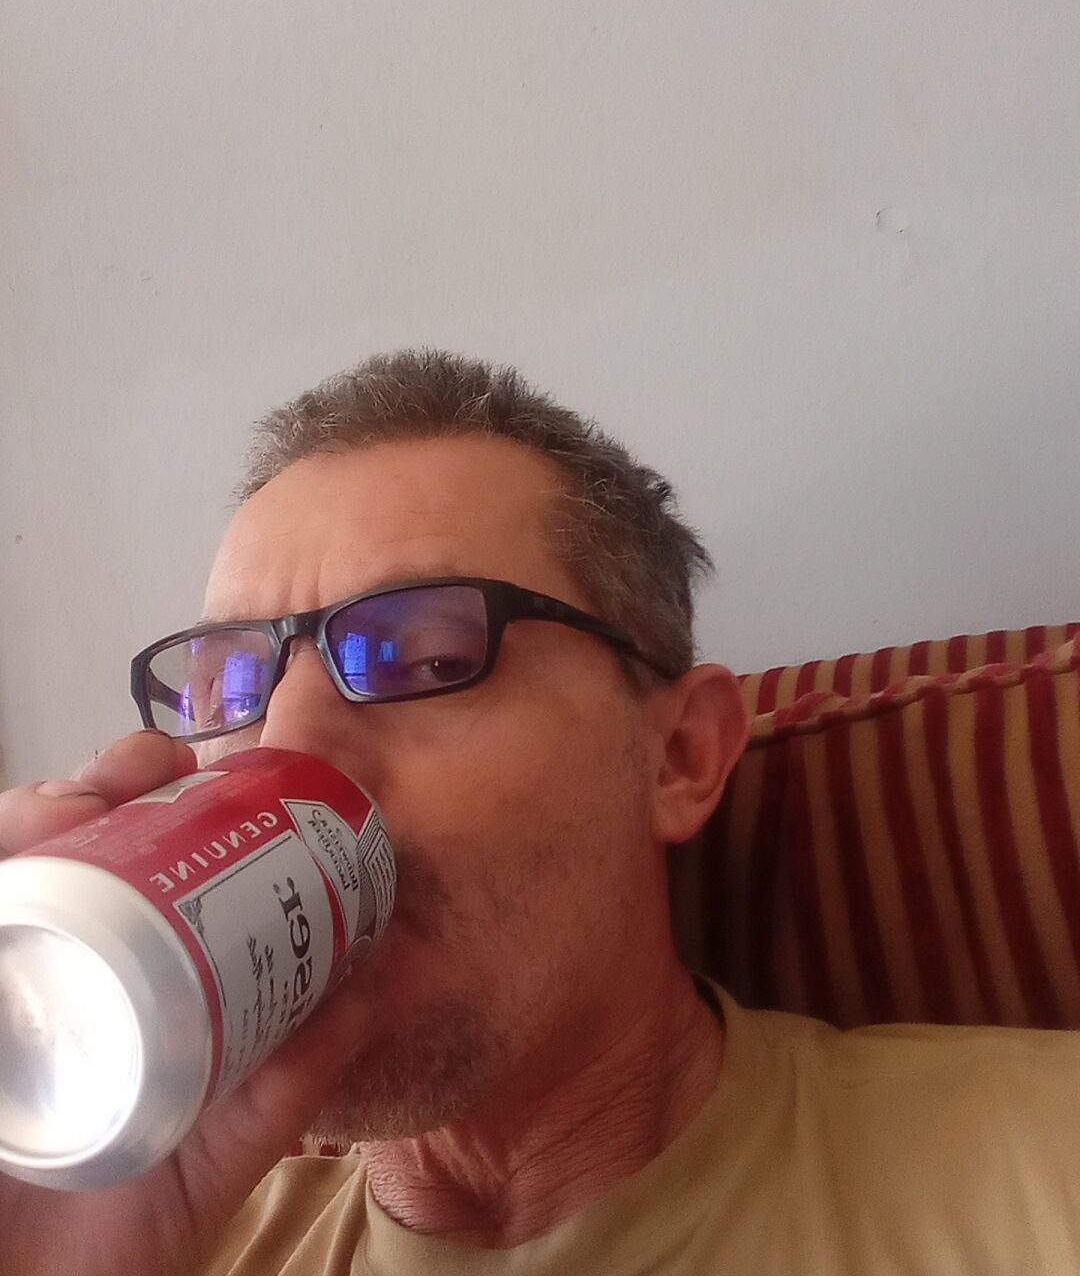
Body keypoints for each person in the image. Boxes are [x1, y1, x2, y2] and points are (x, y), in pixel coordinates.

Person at [1, 349, 1078, 1276]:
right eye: (230, 684)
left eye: (428, 658)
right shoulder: (156, 1242)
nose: (284, 745)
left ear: (681, 757)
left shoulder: (1042, 1171)